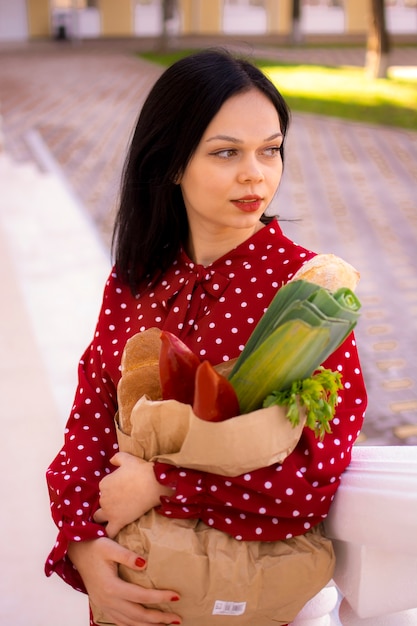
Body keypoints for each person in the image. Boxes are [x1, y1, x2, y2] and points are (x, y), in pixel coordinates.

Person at [45, 48, 367, 626]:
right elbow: (89, 424)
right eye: (226, 153)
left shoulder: (307, 295)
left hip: (255, 599)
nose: (256, 174)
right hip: (129, 598)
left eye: (271, 150)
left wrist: (164, 485)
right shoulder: (134, 279)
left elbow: (314, 476)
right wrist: (84, 550)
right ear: (171, 164)